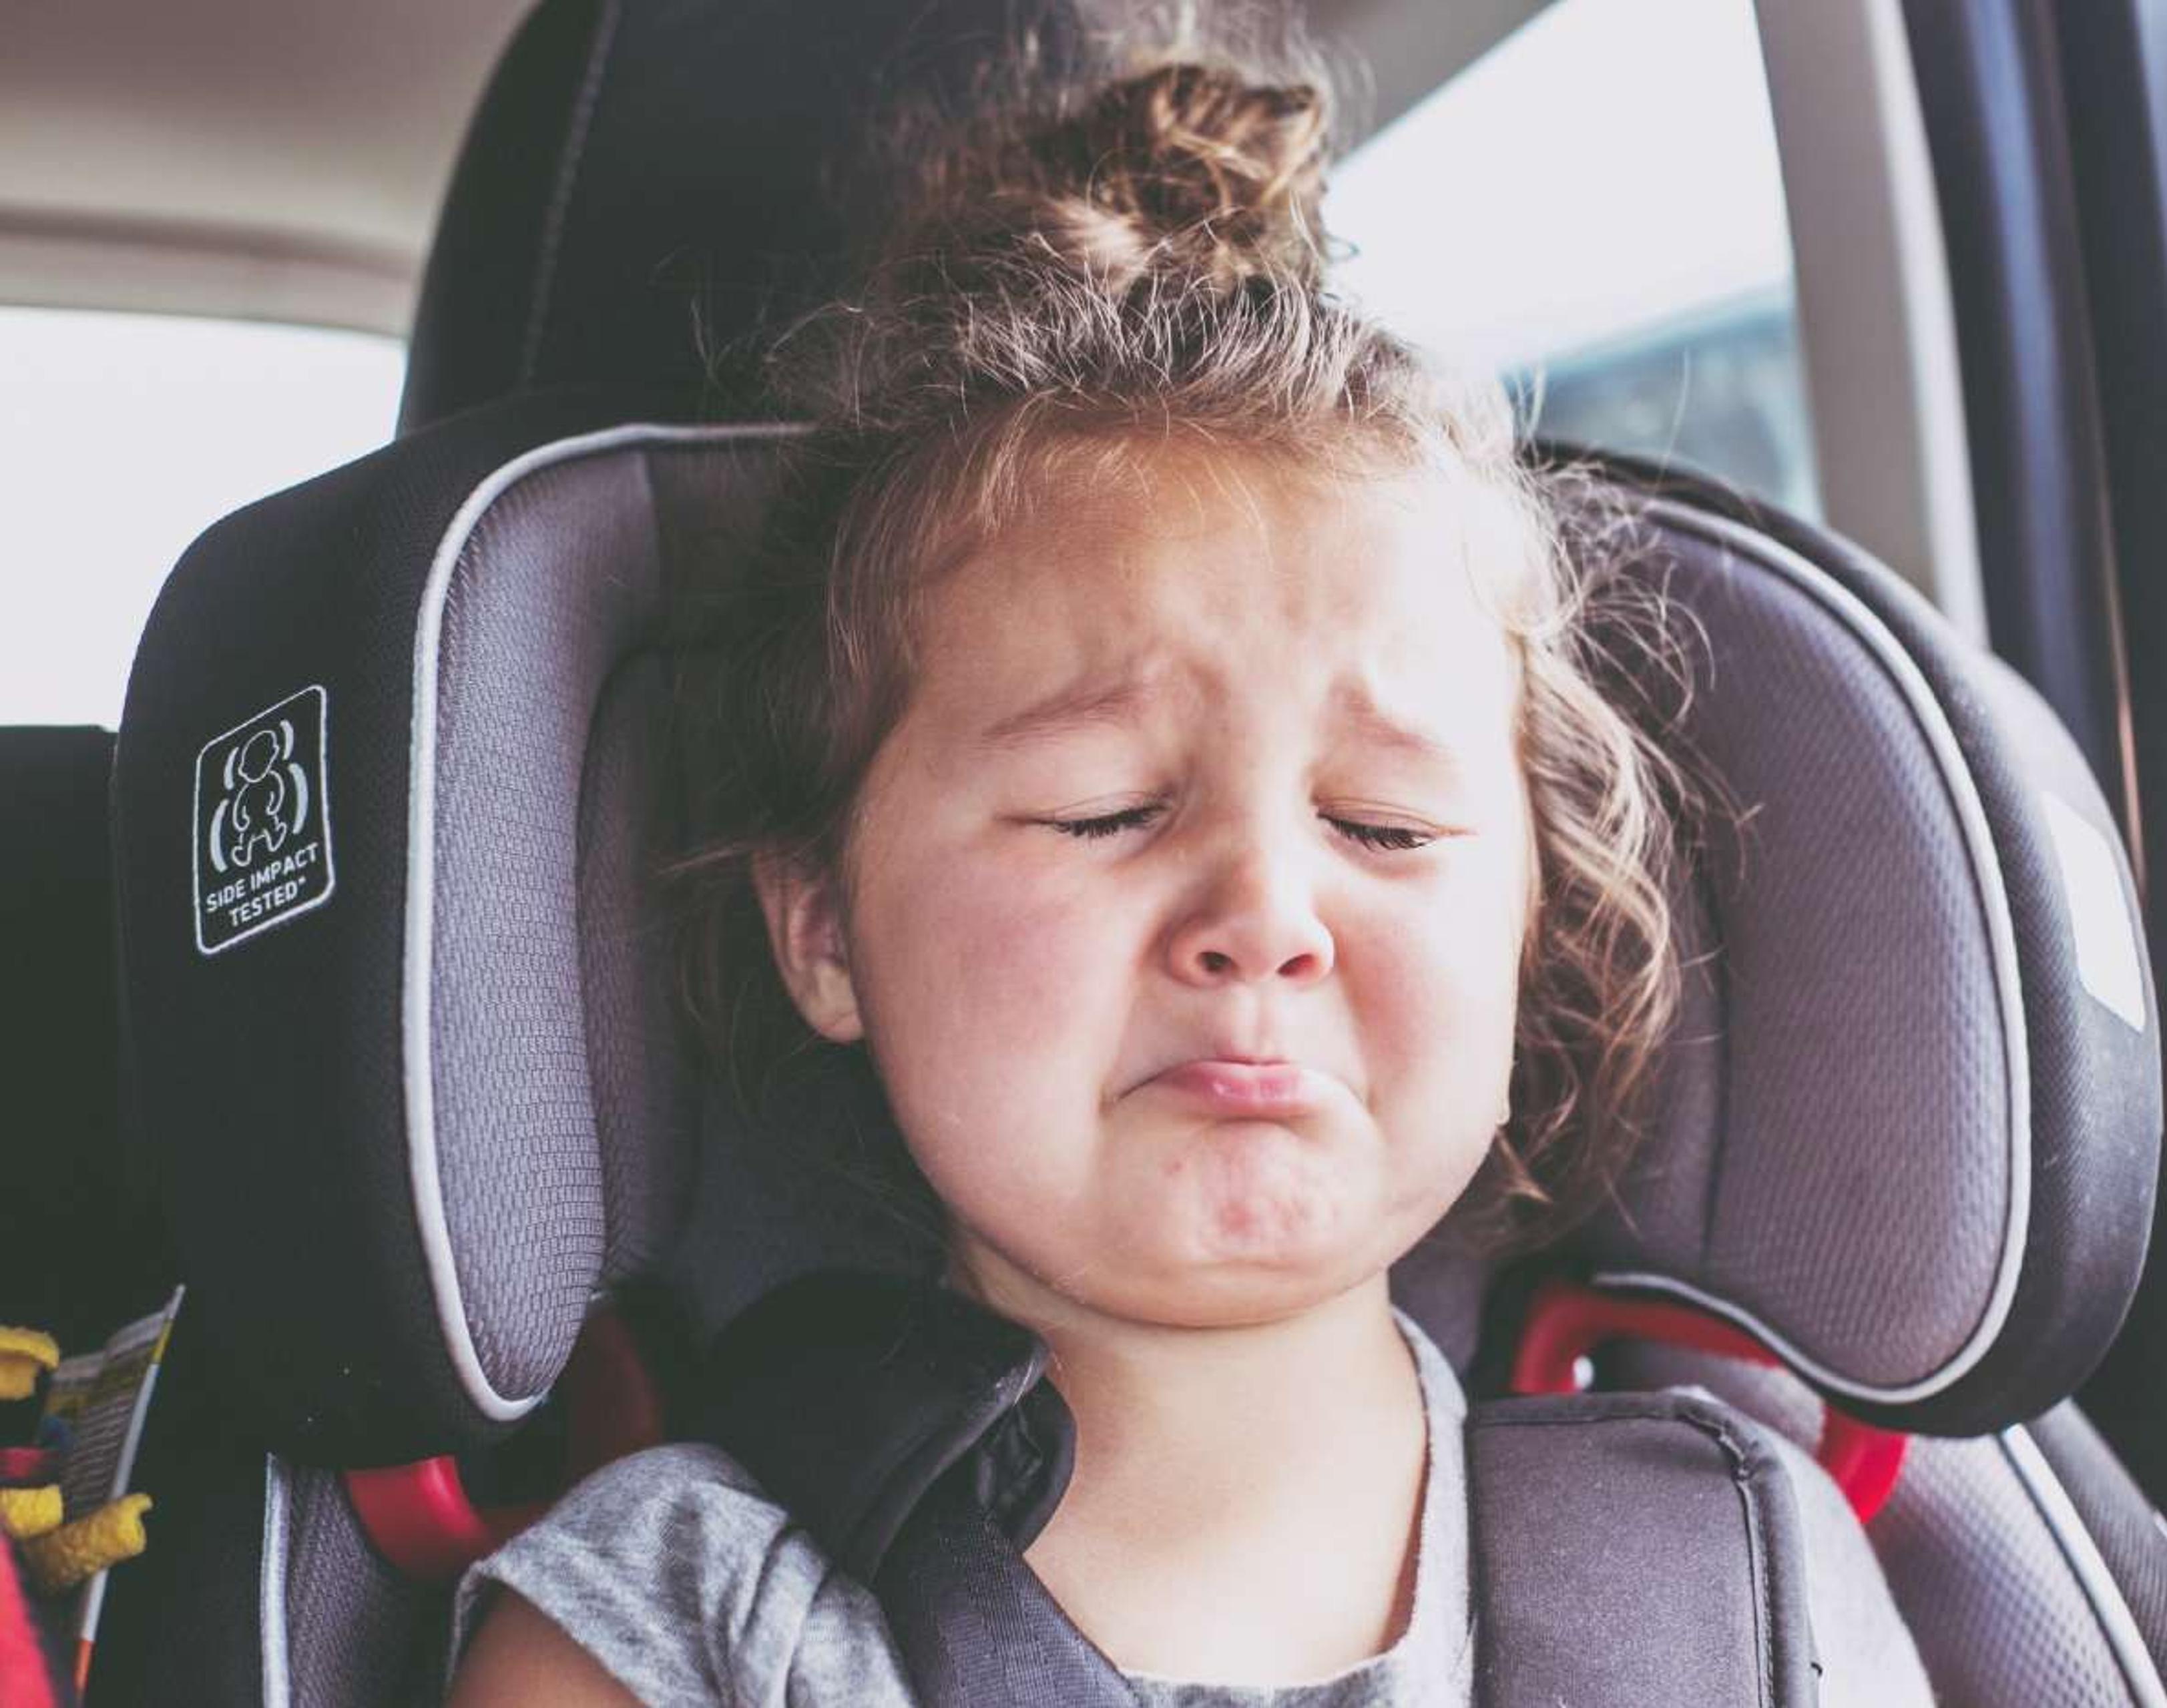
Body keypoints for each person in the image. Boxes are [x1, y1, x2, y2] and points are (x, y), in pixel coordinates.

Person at [448, 20, 1927, 1707]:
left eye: (1383, 824)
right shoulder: (678, 1633)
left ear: (1527, 928)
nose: (1263, 919)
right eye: (1101, 808)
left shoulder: (1746, 1594)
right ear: (823, 930)